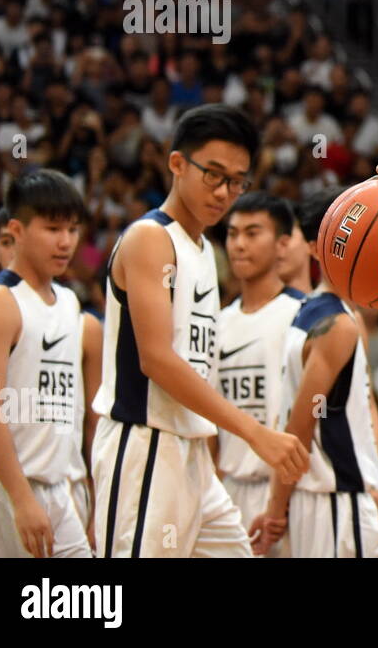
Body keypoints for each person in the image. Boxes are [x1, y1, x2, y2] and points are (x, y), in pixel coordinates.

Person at [90, 104, 308, 557]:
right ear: (176, 164)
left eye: (238, 181)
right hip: (145, 443)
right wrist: (253, 432)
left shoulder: (206, 251)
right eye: (214, 174)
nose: (225, 191)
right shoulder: (151, 238)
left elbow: (197, 369)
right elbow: (157, 359)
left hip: (190, 452)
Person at [251, 189, 378, 558]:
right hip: (335, 500)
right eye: (348, 236)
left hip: (321, 498)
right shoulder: (338, 325)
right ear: (317, 248)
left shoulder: (309, 312)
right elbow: (300, 425)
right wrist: (275, 510)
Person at [0, 170, 100, 557]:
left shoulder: (70, 303)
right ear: (17, 230)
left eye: (73, 229)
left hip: (59, 489)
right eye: (52, 228)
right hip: (0, 487)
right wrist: (22, 498)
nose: (65, 242)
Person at [213, 193, 306, 557]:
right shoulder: (217, 323)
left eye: (253, 233)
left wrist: (278, 503)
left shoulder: (303, 314)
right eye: (233, 234)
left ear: (282, 243)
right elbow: (208, 423)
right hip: (228, 490)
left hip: (293, 494)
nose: (238, 244)